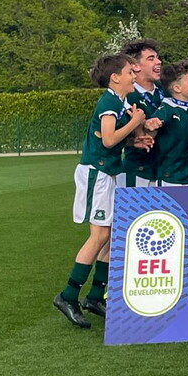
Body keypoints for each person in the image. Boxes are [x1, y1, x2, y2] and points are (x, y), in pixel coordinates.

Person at [54, 53, 147, 328]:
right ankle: (68, 295)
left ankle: (95, 296)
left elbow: (113, 140)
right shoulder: (108, 101)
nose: (135, 74)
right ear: (115, 77)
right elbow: (108, 139)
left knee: (110, 234)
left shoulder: (119, 101)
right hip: (97, 173)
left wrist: (134, 142)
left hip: (108, 172)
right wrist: (134, 123)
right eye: (131, 71)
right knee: (99, 235)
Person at [118, 39, 163, 188]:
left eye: (157, 57)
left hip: (167, 171)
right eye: (151, 59)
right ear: (135, 66)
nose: (158, 62)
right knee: (138, 211)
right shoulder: (127, 96)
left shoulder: (166, 89)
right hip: (138, 171)